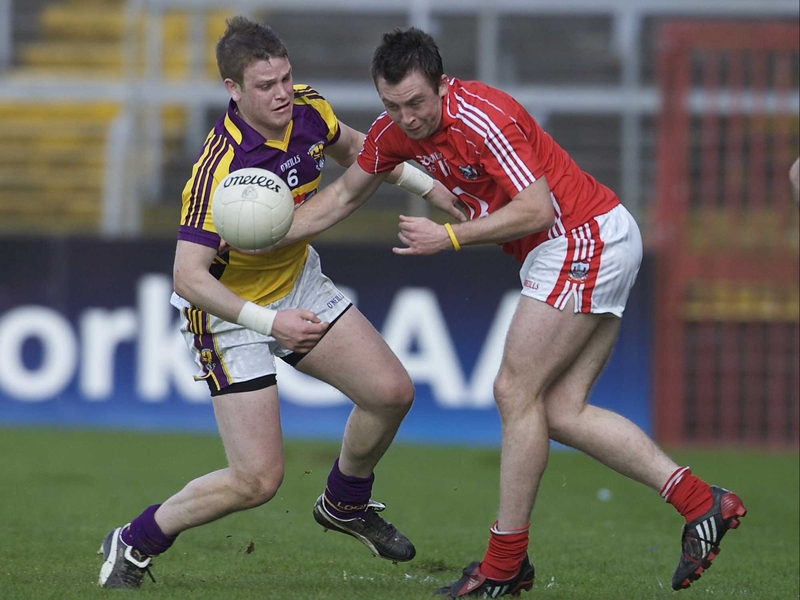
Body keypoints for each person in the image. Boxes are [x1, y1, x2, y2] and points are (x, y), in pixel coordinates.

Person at [278, 28, 748, 597]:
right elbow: (345, 195)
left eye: (417, 103)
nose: (408, 118)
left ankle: (504, 565)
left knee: (512, 390)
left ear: (442, 84)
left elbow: (535, 208)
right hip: (591, 238)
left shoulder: (482, 116)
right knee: (561, 410)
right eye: (392, 105)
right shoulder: (392, 133)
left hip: (580, 237)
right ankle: (703, 503)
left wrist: (448, 236)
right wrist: (271, 234)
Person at [97, 17, 464, 589]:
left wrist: (428, 187)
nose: (280, 93)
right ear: (233, 90)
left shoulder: (308, 109)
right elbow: (188, 277)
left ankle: (344, 502)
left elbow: (359, 150)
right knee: (257, 480)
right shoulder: (217, 171)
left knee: (391, 394)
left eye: (285, 78)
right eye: (265, 85)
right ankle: (133, 541)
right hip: (228, 314)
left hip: (297, 283)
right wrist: (271, 323)